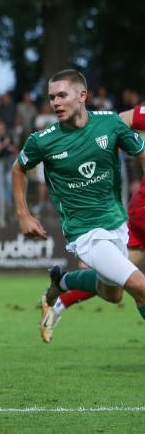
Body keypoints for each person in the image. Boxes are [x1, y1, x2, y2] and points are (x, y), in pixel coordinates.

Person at [12, 70, 145, 340]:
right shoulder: (42, 140)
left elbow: (141, 151)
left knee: (113, 294)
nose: (56, 103)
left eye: (62, 95)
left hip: (116, 223)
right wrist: (23, 214)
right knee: (141, 287)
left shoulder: (109, 124)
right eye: (52, 97)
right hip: (85, 233)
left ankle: (61, 281)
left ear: (82, 95)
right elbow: (18, 168)